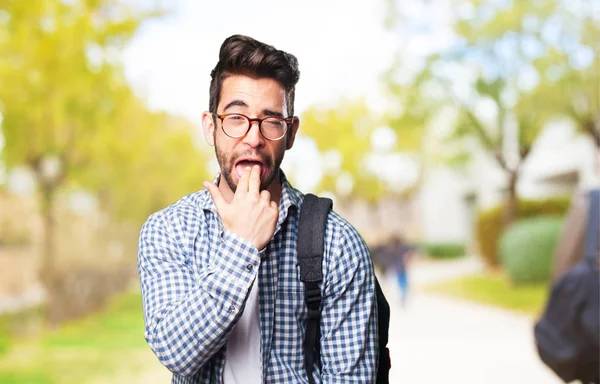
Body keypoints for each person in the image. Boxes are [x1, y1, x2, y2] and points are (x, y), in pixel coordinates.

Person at [137, 34, 379, 384]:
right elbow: (176, 353)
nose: (253, 137)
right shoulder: (168, 229)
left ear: (291, 133)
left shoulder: (337, 243)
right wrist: (241, 245)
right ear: (211, 126)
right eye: (236, 118)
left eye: (271, 121)